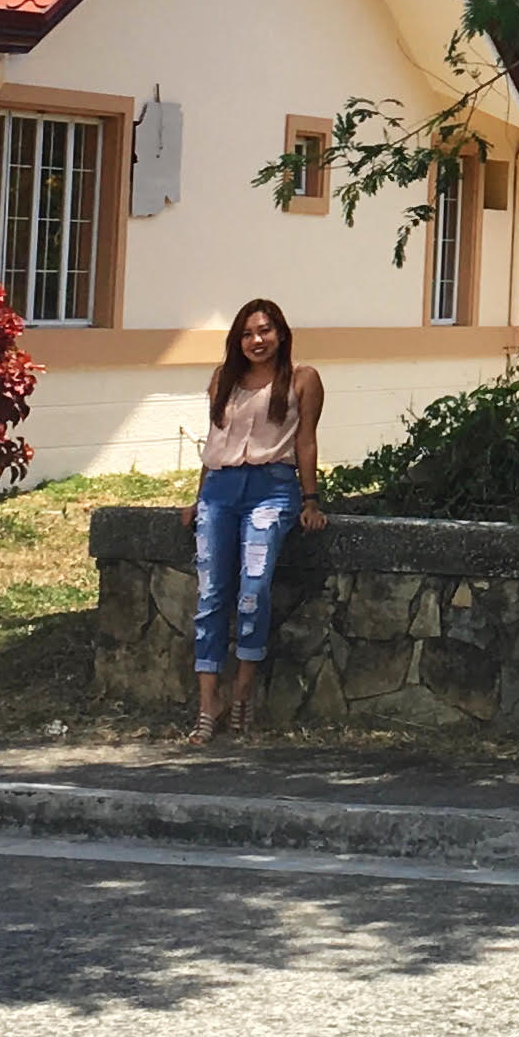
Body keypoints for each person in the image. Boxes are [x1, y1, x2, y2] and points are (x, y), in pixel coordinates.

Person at [192, 297, 325, 740]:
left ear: (281, 333)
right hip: (221, 490)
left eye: (264, 331)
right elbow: (215, 442)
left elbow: (305, 441)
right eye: (248, 333)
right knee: (211, 593)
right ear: (237, 340)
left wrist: (310, 499)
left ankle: (243, 688)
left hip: (272, 488)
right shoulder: (223, 380)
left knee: (253, 587)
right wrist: (198, 499)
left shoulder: (303, 380)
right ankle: (208, 700)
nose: (257, 340)